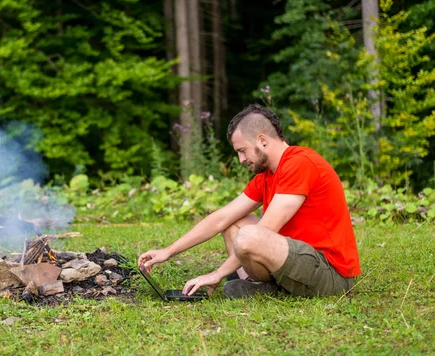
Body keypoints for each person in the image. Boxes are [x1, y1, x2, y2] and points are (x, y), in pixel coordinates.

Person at [138, 104, 361, 298]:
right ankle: (259, 287)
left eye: (242, 151)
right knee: (233, 223)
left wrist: (217, 274)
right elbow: (220, 218)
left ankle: (265, 287)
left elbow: (263, 231)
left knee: (249, 235)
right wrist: (168, 251)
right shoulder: (266, 177)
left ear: (262, 140)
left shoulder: (300, 163)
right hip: (298, 262)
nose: (241, 159)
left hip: (331, 275)